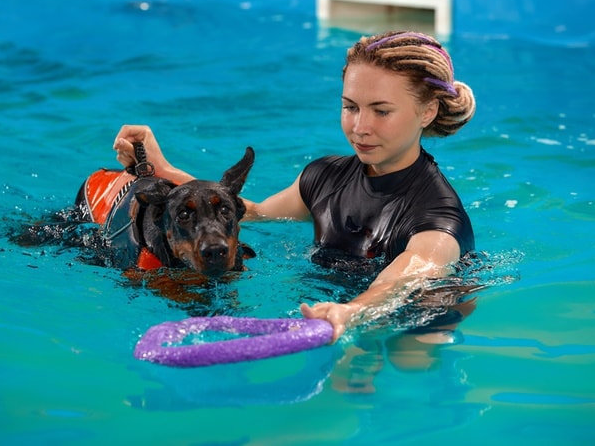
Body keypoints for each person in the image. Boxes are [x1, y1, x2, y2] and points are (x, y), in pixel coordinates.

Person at [113, 30, 477, 344]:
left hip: (414, 316)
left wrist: (350, 312)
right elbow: (250, 212)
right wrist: (165, 169)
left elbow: (401, 280)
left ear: (427, 112)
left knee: (408, 364)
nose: (360, 126)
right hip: (332, 307)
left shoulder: (438, 220)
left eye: (381, 111)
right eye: (350, 107)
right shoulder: (324, 177)